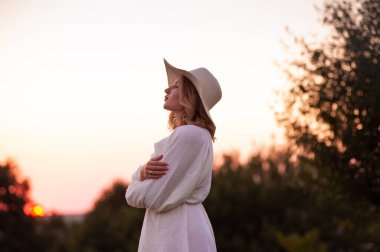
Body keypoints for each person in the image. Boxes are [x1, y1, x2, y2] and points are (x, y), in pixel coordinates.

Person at [125, 59, 222, 252]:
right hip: (173, 227)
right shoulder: (191, 135)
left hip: (178, 232)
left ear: (190, 95)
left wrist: (135, 184)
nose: (167, 90)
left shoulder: (189, 135)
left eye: (176, 86)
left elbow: (152, 197)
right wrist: (143, 172)